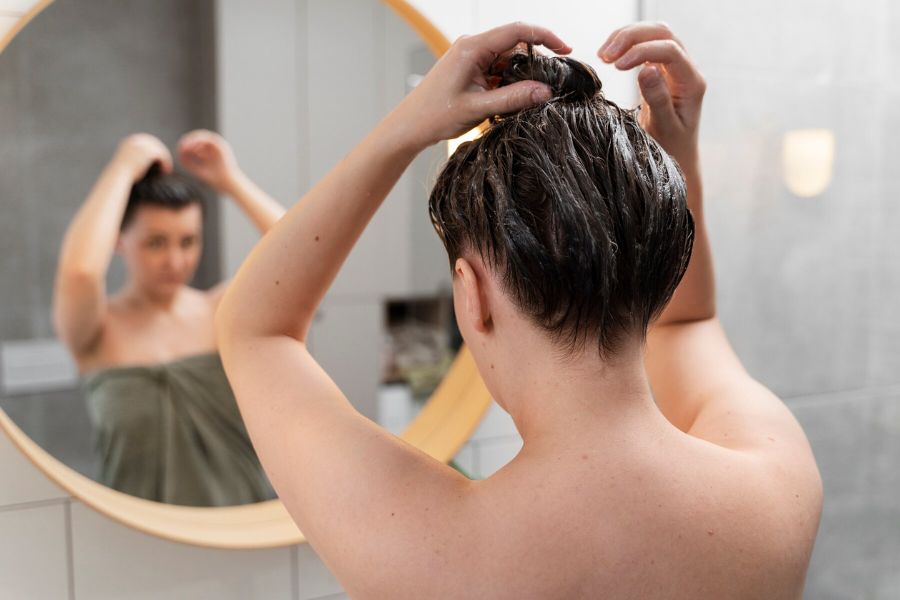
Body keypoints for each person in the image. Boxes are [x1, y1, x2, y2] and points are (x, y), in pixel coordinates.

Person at [216, 22, 822, 598]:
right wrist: (674, 162)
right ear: (660, 267)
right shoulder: (776, 487)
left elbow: (254, 330)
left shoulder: (436, 556)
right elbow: (691, 324)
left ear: (469, 292)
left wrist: (405, 128)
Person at [53, 130, 285, 506]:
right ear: (118, 240)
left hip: (245, 530)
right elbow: (80, 271)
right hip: (142, 544)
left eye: (188, 241)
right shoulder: (96, 330)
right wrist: (123, 166)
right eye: (156, 243)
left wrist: (231, 180)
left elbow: (303, 252)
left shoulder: (220, 311)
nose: (175, 262)